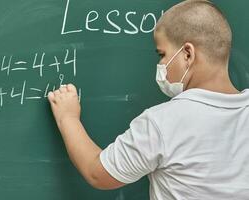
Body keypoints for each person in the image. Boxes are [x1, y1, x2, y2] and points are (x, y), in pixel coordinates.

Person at [48, 0, 249, 199]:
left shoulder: (163, 122)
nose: (160, 64)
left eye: (162, 54)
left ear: (187, 54)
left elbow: (98, 174)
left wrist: (68, 118)